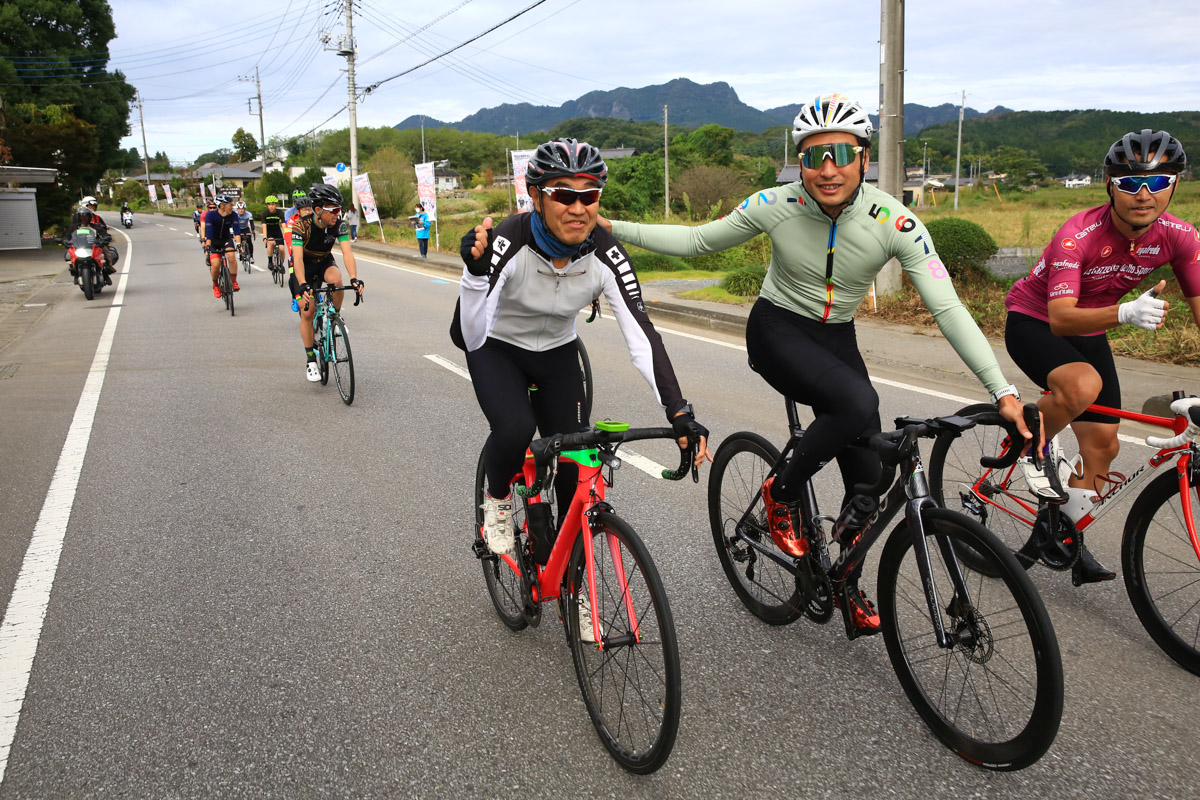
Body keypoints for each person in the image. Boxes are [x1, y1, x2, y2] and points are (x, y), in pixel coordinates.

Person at [601, 94, 1031, 634]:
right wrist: (609, 225)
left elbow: (946, 306)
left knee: (867, 487)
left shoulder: (894, 221)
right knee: (858, 403)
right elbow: (696, 241)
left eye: (840, 154)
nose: (827, 169)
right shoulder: (773, 204)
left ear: (863, 159)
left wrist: (1002, 391)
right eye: (813, 156)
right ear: (799, 161)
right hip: (777, 328)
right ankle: (779, 492)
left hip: (838, 337)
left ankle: (841, 579)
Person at [455, 137, 710, 566]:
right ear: (536, 196)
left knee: (577, 467)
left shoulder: (606, 251)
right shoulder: (507, 240)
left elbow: (641, 336)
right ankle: (497, 502)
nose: (578, 208)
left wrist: (678, 410)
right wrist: (475, 276)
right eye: (563, 195)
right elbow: (470, 335)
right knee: (516, 428)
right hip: (498, 348)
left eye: (589, 195)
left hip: (557, 352)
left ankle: (574, 583)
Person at [1003, 128, 1200, 585]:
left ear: (1175, 184)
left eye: (1158, 180)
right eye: (1130, 183)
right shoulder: (1079, 234)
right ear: (1110, 185)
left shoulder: (1181, 237)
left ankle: (1060, 533)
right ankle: (1030, 442)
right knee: (1081, 385)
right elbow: (1059, 318)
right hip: (1035, 319)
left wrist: (1118, 314)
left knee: (1103, 448)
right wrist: (1128, 311)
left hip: (1094, 326)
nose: (1144, 194)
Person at [290, 183, 363, 382]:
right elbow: (297, 259)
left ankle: (335, 318)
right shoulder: (301, 226)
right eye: (334, 210)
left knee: (337, 280)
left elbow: (347, 253)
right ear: (318, 209)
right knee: (308, 309)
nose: (338, 214)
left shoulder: (339, 225)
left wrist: (354, 279)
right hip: (303, 267)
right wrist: (303, 283)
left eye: (340, 210)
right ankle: (311, 360)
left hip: (324, 262)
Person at [70, 196, 116, 284]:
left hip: (95, 241)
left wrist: (104, 236)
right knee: (70, 255)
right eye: (91, 206)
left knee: (105, 251)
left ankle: (106, 271)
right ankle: (75, 273)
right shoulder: (76, 217)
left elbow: (104, 228)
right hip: (79, 242)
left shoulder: (97, 218)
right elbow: (72, 230)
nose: (93, 208)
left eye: (93, 206)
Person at [203, 193, 242, 297]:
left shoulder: (233, 215)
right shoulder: (211, 215)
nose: (232, 206)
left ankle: (233, 281)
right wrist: (207, 247)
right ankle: (215, 285)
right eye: (230, 204)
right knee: (215, 264)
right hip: (214, 242)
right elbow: (209, 233)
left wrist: (238, 244)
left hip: (226, 239)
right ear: (221, 205)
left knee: (232, 256)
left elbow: (237, 231)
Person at [262, 195, 285, 268]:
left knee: (281, 248)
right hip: (269, 231)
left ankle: (281, 264)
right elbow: (264, 226)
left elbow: (283, 224)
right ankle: (270, 261)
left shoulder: (280, 212)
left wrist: (286, 234)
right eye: (269, 204)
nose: (271, 206)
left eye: (273, 204)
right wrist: (265, 237)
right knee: (271, 243)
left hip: (277, 230)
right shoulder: (264, 213)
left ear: (276, 205)